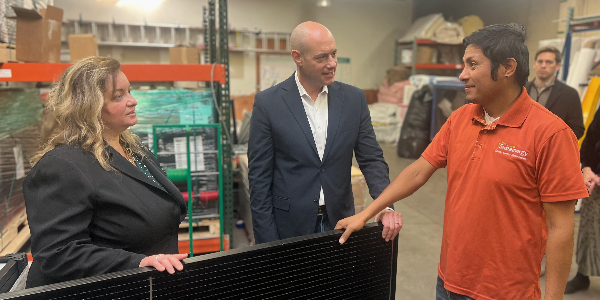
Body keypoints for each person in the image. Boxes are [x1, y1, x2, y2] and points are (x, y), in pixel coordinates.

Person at [336, 24, 588, 300]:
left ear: (508, 68)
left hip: (505, 291)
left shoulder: (551, 134)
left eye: (472, 64)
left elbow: (561, 229)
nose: (462, 74)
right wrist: (367, 213)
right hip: (449, 281)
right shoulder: (461, 119)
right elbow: (419, 171)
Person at [23, 57, 188, 288]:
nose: (133, 101)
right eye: (118, 96)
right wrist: (138, 262)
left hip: (146, 285)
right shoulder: (63, 165)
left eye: (129, 91)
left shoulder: (133, 148)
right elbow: (57, 253)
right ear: (88, 106)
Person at [248, 21, 402, 244]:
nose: (332, 63)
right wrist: (267, 242)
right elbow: (259, 179)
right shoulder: (268, 103)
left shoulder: (353, 100)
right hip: (289, 227)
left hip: (341, 223)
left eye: (334, 54)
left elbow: (371, 159)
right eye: (322, 57)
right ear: (297, 57)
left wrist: (385, 206)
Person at [564, 109, 600, 294]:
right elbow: (591, 138)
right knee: (587, 229)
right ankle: (583, 274)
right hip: (595, 180)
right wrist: (586, 168)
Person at [526, 46, 584, 139]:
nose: (543, 65)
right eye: (540, 61)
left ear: (557, 66)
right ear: (534, 64)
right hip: (519, 148)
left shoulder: (569, 94)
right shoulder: (520, 89)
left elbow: (577, 129)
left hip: (550, 150)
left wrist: (554, 143)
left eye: (548, 62)